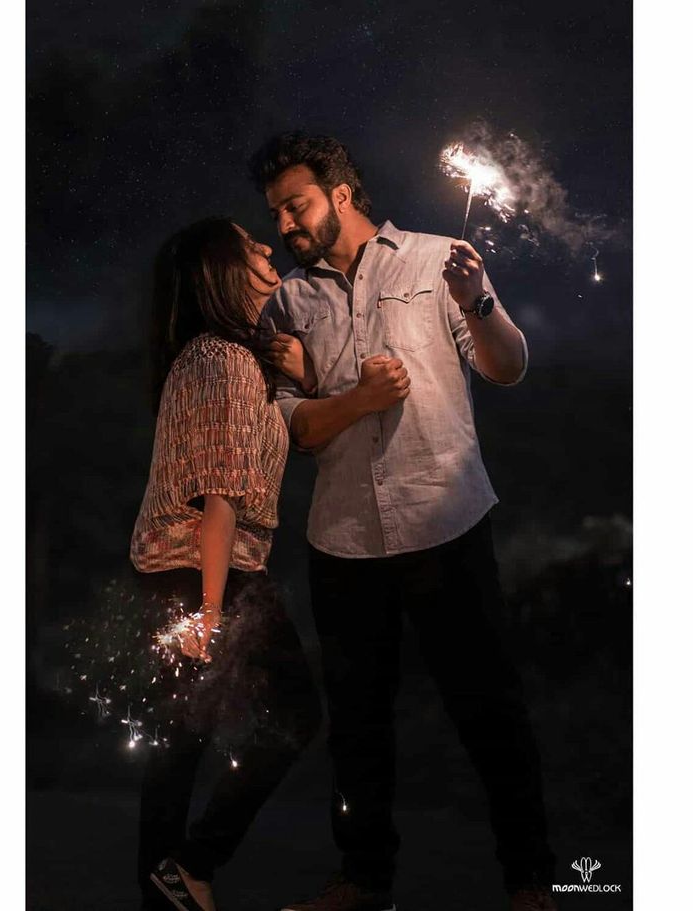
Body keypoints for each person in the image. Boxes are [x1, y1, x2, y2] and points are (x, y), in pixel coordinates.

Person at [249, 133, 558, 911]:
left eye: (297, 204)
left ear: (341, 195)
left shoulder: (438, 259)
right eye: (277, 212)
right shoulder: (287, 301)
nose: (285, 223)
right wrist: (354, 398)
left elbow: (508, 367)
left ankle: (530, 880)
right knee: (357, 726)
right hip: (344, 539)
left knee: (489, 710)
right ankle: (363, 881)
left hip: (446, 522)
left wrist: (478, 299)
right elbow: (299, 429)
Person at [129, 217, 321, 911]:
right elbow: (218, 499)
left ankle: (165, 884)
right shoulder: (220, 359)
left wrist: (304, 373)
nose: (268, 250)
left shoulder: (219, 358)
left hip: (182, 569)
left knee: (181, 741)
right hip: (210, 568)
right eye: (250, 247)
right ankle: (191, 862)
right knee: (295, 713)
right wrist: (210, 612)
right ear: (220, 272)